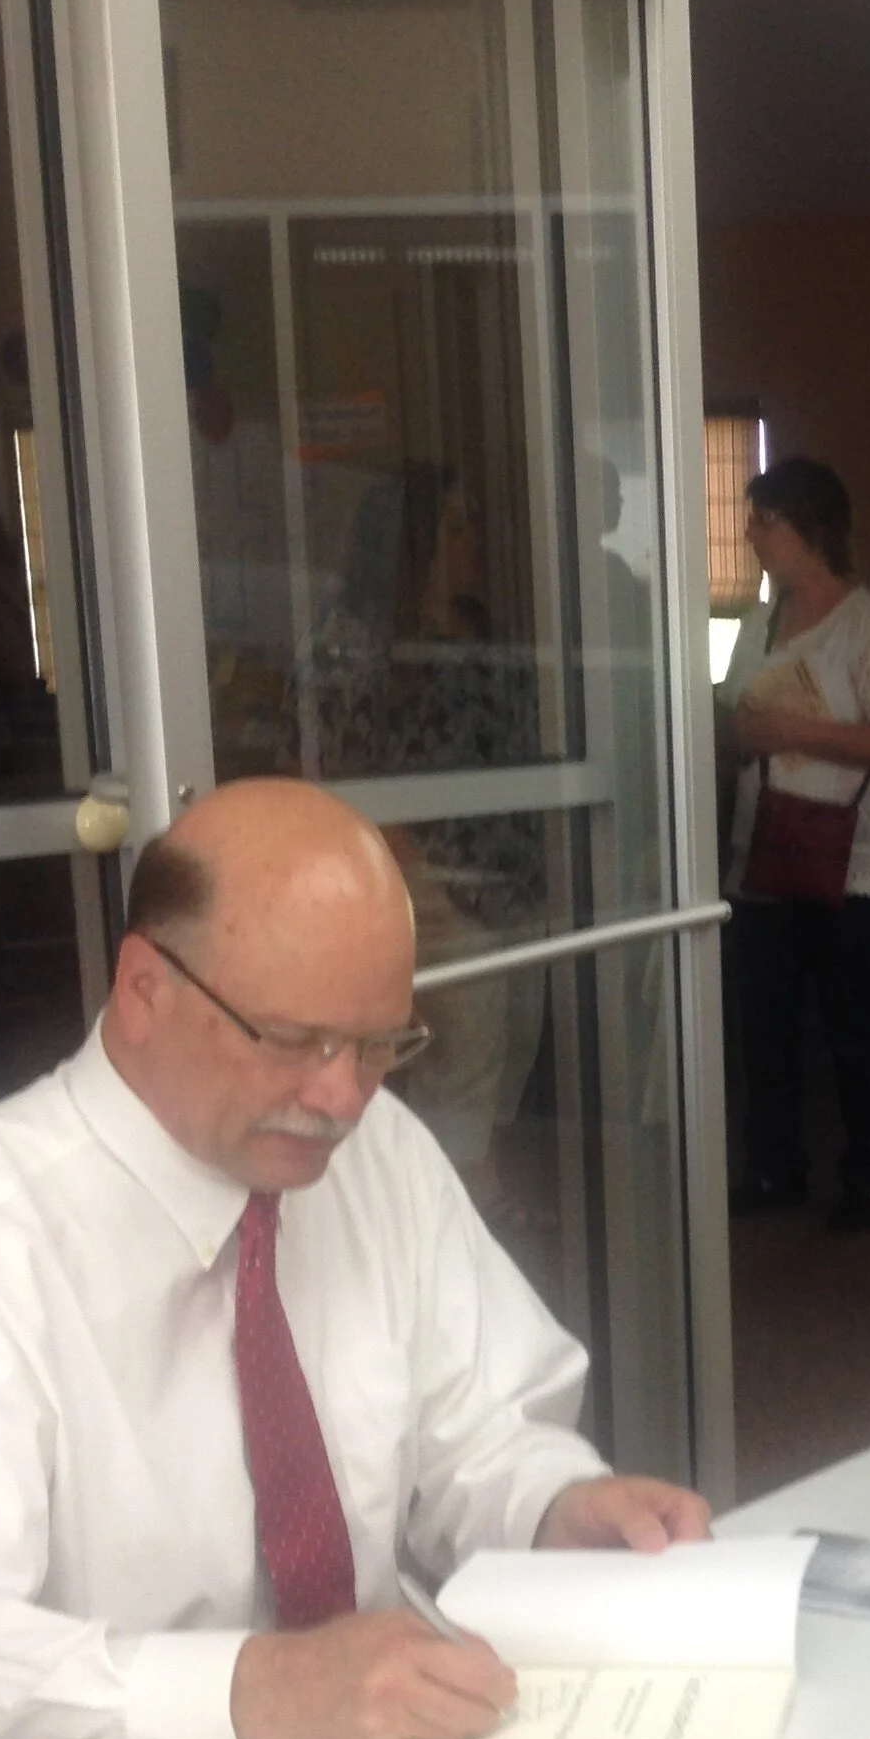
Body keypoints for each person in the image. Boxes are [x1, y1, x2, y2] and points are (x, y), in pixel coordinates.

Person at [0, 778, 710, 1739]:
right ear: (142, 990)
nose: (342, 1098)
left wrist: (553, 1506)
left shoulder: (373, 1155)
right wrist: (254, 1688)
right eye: (294, 1040)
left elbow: (477, 1432)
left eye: (380, 1045)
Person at [290, 460, 549, 1196]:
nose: (476, 543)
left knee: (509, 1055)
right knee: (457, 1064)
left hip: (512, 880)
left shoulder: (479, 631)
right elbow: (325, 773)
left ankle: (481, 1196)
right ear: (411, 544)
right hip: (430, 888)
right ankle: (450, 1225)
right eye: (457, 527)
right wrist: (416, 876)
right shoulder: (353, 642)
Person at [722, 458, 870, 1233]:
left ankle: (869, 1171)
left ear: (810, 529)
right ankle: (774, 1167)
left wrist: (796, 729)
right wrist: (748, 732)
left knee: (851, 1025)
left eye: (764, 520)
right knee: (763, 1022)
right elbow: (737, 718)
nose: (751, 535)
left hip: (851, 855)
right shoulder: (758, 622)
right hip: (764, 844)